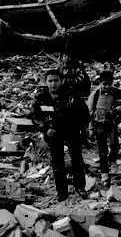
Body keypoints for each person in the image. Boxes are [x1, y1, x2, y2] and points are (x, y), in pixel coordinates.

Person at [32, 69, 86, 201]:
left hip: (71, 132)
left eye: (56, 80)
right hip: (54, 134)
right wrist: (45, 129)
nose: (53, 83)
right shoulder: (41, 98)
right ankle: (62, 192)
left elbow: (84, 114)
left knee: (77, 160)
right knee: (57, 164)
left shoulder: (71, 96)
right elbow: (35, 117)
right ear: (46, 82)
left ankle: (80, 188)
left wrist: (82, 130)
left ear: (61, 81)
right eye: (50, 81)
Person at [88, 70, 121, 186]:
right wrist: (90, 128)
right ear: (100, 83)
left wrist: (120, 108)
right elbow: (90, 112)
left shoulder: (116, 93)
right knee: (102, 150)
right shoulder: (95, 95)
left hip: (111, 124)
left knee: (115, 145)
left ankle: (113, 161)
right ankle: (105, 173)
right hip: (99, 124)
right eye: (104, 84)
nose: (107, 86)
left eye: (109, 84)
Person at [59, 53, 91, 143]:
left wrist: (70, 82)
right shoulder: (60, 68)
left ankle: (84, 137)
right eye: (65, 56)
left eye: (69, 56)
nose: (67, 58)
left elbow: (82, 78)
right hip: (64, 96)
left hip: (76, 95)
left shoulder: (76, 68)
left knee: (81, 117)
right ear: (61, 58)